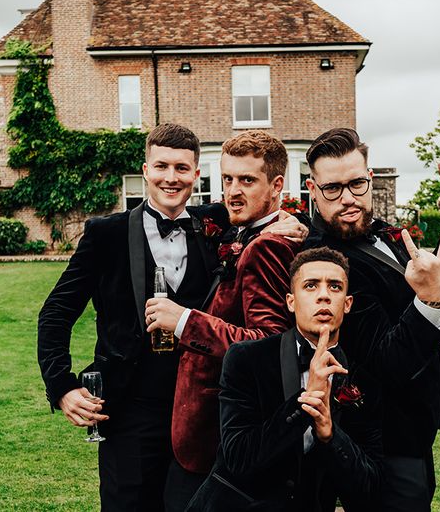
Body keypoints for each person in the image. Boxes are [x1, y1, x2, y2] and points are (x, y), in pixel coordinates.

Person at [37, 123, 301, 511]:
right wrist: (61, 386)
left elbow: (263, 212)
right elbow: (56, 313)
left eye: (181, 168)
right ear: (146, 171)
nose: (170, 178)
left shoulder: (219, 223)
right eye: (161, 166)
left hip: (203, 415)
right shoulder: (104, 234)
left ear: (196, 174)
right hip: (128, 411)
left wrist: (292, 222)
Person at [303, 127, 440, 512]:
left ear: (370, 179)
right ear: (313, 189)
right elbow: (386, 360)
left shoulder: (382, 233)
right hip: (384, 436)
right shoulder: (326, 262)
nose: (349, 199)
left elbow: (429, 288)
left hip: (413, 428)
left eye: (356, 183)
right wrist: (431, 301)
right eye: (333, 189)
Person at [185, 245, 440, 512]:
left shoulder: (362, 379)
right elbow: (239, 458)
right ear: (291, 301)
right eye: (310, 286)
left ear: (347, 304)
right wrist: (305, 403)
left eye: (334, 287)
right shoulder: (247, 359)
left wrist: (330, 435)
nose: (323, 296)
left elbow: (368, 488)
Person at [144, 130, 306, 512]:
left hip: (218, 438)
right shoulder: (245, 231)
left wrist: (184, 320)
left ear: (277, 185)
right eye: (227, 179)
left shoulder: (267, 246)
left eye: (247, 180)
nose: (233, 191)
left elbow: (267, 342)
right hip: (201, 435)